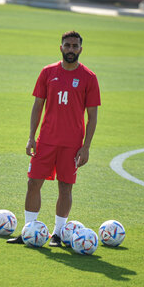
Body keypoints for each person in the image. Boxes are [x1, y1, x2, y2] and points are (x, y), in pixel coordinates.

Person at [7, 31, 101, 247]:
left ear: (80, 49)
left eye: (75, 46)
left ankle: (58, 233)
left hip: (72, 145)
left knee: (65, 187)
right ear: (61, 47)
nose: (71, 49)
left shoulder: (89, 77)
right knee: (33, 183)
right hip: (46, 140)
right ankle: (29, 230)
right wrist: (31, 137)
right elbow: (37, 106)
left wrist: (86, 147)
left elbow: (93, 117)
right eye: (67, 45)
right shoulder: (48, 72)